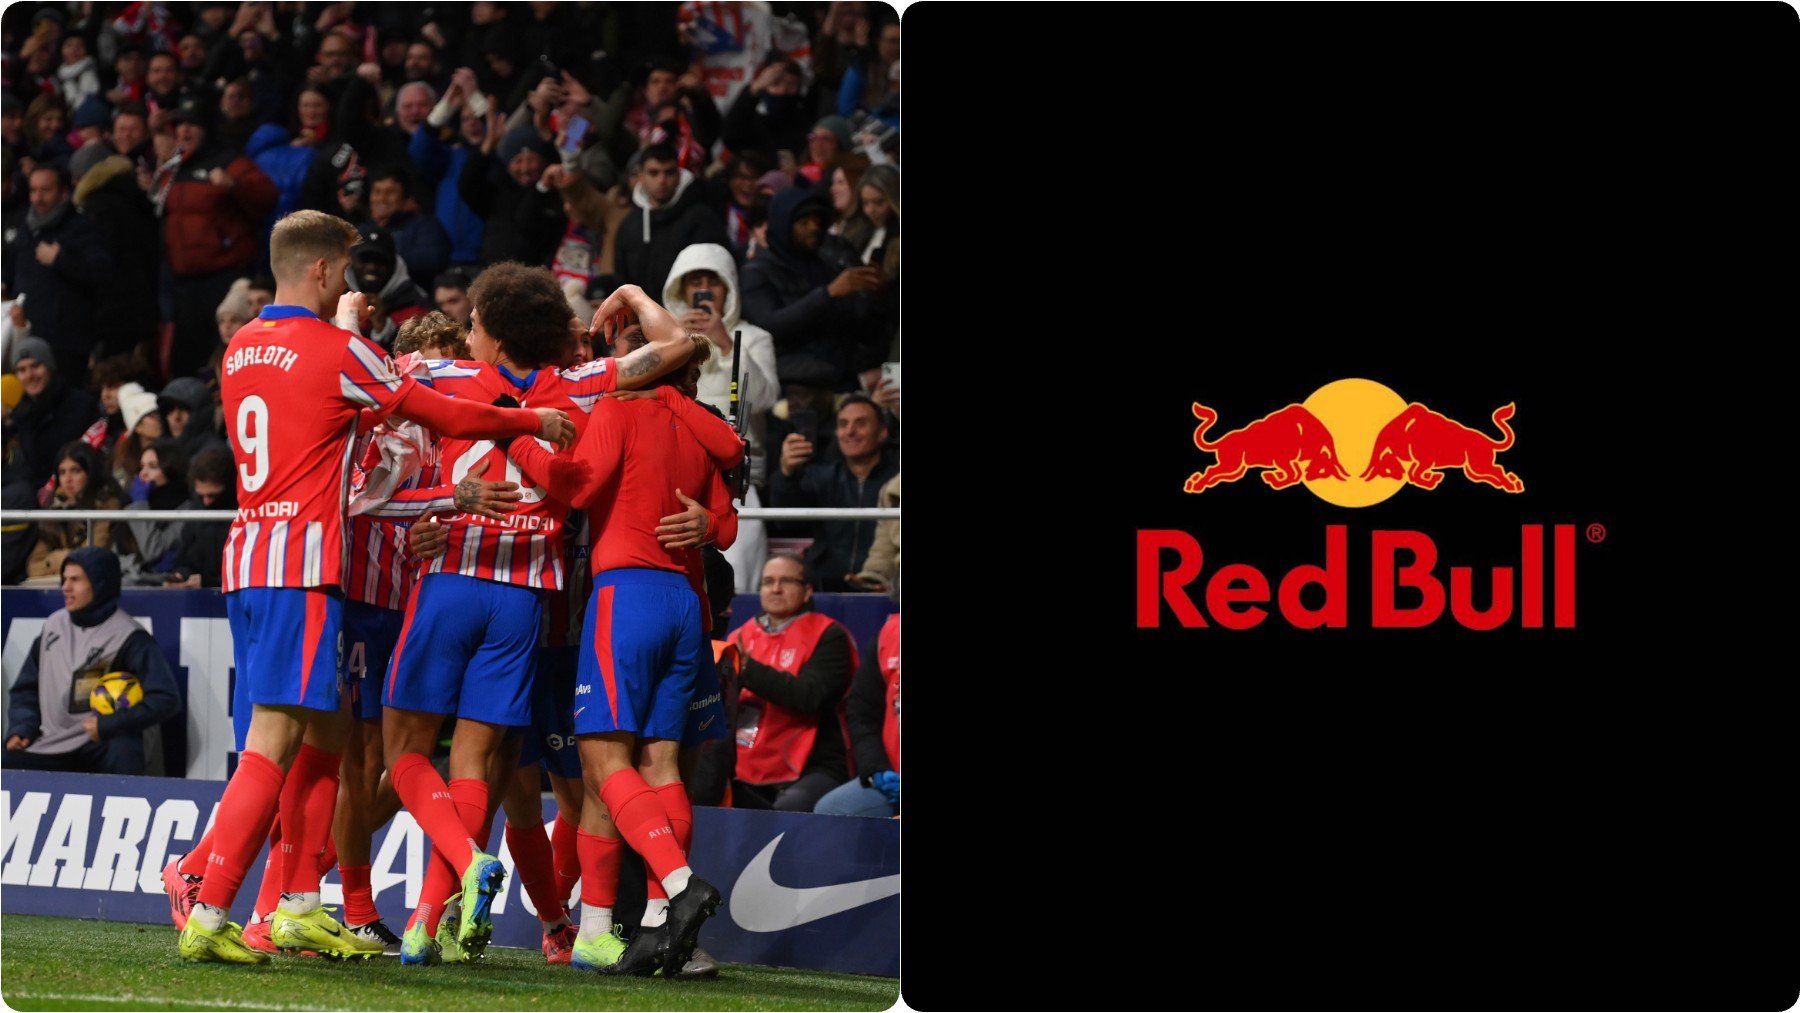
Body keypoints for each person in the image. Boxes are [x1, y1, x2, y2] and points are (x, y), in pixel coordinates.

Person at [162, 209, 571, 965]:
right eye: (345, 271)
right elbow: (439, 408)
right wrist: (529, 421)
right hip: (304, 565)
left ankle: (297, 905)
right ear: (320, 270)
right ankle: (209, 902)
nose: (350, 283)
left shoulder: (241, 345)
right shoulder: (337, 350)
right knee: (276, 741)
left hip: (248, 553)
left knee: (324, 736)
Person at [381, 271, 693, 966]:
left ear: (494, 329)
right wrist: (633, 295)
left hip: (451, 577)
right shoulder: (583, 384)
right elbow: (679, 344)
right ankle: (428, 921)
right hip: (526, 598)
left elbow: (355, 377)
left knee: (402, 751)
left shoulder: (448, 372)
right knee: (475, 761)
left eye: (475, 322)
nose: (468, 334)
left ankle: (438, 898)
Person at [502, 288, 739, 977]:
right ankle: (660, 931)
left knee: (605, 766)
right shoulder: (699, 427)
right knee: (662, 763)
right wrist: (705, 526)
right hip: (685, 603)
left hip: (624, 597)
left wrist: (516, 438)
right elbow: (723, 520)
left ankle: (675, 883)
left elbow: (576, 485)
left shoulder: (614, 408)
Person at [4, 548, 181, 774]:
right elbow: (26, 689)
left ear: (100, 584)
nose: (65, 587)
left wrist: (108, 725)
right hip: (52, 744)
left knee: (123, 749)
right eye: (64, 579)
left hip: (100, 742)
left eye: (75, 580)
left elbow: (166, 698)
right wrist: (22, 728)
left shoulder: (128, 636)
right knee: (8, 762)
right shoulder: (52, 627)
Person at [156, 108, 279, 379]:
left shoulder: (230, 162)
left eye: (193, 125)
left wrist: (234, 184)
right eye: (180, 125)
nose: (184, 131)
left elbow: (268, 195)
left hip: (223, 278)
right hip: (184, 284)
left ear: (207, 129)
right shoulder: (173, 168)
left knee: (228, 356)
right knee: (187, 362)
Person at [739, 187, 884, 393]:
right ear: (783, 225)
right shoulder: (757, 272)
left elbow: (856, 324)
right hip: (793, 387)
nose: (813, 228)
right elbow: (769, 325)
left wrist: (873, 293)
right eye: (804, 223)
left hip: (841, 378)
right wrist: (827, 294)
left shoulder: (827, 264)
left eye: (817, 222)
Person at [771, 394, 898, 591]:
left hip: (883, 588)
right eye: (843, 424)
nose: (850, 431)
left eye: (861, 423)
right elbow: (786, 523)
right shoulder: (822, 476)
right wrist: (786, 474)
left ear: (882, 432)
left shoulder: (896, 483)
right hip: (824, 588)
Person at [13, 166, 109, 388]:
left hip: (67, 343)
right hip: (28, 337)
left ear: (63, 192)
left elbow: (102, 272)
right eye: (33, 190)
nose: (37, 198)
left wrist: (60, 260)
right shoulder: (25, 227)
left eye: (45, 190)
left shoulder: (81, 228)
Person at [69, 146, 160, 362]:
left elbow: (103, 261)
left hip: (115, 310)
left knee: (114, 373)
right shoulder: (133, 195)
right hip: (144, 301)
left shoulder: (98, 206)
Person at [814, 612, 900, 817]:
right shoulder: (891, 633)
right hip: (894, 776)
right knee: (832, 810)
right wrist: (876, 769)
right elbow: (862, 712)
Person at [613, 144, 728, 296]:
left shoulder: (702, 219)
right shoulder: (629, 226)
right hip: (641, 315)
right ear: (640, 176)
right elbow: (622, 281)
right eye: (654, 173)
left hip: (687, 316)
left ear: (679, 174)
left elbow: (715, 274)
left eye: (669, 172)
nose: (662, 180)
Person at [23, 441, 133, 582]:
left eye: (75, 471)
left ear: (90, 473)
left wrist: (56, 559)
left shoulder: (108, 506)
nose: (67, 479)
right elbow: (33, 567)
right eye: (62, 472)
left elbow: (91, 555)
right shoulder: (53, 510)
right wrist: (66, 557)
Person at [5, 338, 100, 492]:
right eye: (21, 370)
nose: (29, 375)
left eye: (35, 366)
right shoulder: (20, 415)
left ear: (49, 367)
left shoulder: (81, 405)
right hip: (34, 498)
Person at [360, 165, 452, 289]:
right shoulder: (362, 230)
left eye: (390, 192)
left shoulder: (425, 226)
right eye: (377, 192)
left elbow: (433, 261)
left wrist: (385, 259)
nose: (382, 198)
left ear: (406, 198)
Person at [123, 438, 189, 574]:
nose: (143, 473)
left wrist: (140, 506)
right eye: (142, 466)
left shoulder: (186, 508)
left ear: (170, 470)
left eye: (152, 467)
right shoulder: (132, 502)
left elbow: (152, 549)